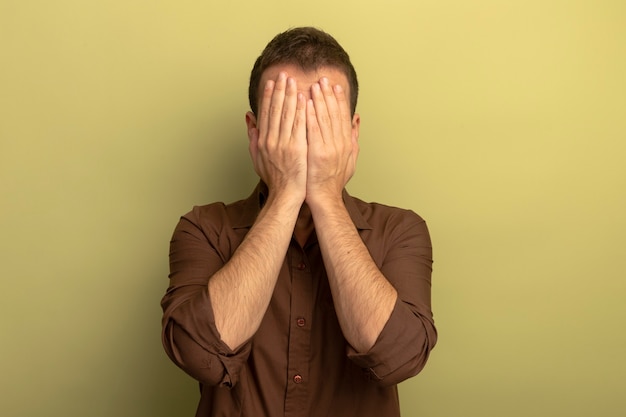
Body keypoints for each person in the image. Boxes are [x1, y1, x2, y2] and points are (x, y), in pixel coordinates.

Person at [161, 27, 437, 417]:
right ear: (255, 132)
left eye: (323, 123)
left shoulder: (400, 231)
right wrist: (287, 192)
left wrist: (324, 195)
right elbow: (200, 354)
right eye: (285, 121)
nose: (304, 139)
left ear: (352, 134)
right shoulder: (203, 228)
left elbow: (399, 357)